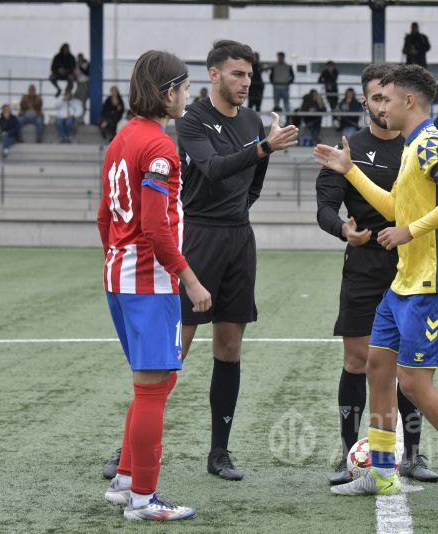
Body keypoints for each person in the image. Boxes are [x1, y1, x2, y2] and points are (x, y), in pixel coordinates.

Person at [314, 64, 438, 505]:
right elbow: (397, 204)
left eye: (389, 99)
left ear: (408, 102)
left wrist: (410, 231)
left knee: (414, 384)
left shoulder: (431, 141)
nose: (382, 107)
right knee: (378, 368)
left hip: (433, 284)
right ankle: (381, 473)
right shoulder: (412, 146)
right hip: (404, 284)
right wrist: (351, 170)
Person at [97, 49, 211, 521]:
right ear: (168, 92)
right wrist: (189, 278)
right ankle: (143, 499)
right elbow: (154, 227)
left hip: (120, 277)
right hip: (148, 282)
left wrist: (115, 258)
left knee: (156, 383)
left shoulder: (121, 138)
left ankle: (126, 480)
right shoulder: (160, 146)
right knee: (153, 386)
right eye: (185, 88)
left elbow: (105, 216)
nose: (188, 96)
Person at [177, 39, 298, 481]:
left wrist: (258, 160)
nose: (245, 83)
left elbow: (254, 180)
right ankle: (130, 447)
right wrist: (265, 147)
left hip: (238, 237)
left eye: (249, 75)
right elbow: (211, 169)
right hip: (198, 236)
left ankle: (219, 453)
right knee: (176, 348)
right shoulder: (191, 121)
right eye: (236, 74)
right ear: (213, 74)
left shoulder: (252, 121)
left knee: (229, 347)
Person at [315, 63, 438, 486]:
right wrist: (343, 229)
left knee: (409, 366)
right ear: (364, 100)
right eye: (376, 97)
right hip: (365, 265)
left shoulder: (419, 145)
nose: (383, 105)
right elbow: (326, 206)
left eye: (389, 97)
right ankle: (350, 455)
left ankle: (414, 454)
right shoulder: (349, 147)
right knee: (357, 360)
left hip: (411, 265)